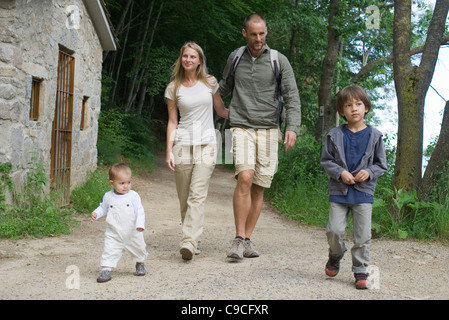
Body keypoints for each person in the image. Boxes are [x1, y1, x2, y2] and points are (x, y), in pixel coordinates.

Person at [219, 13, 301, 261]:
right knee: (245, 176)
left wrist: (292, 127)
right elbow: (223, 87)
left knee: (259, 186)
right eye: (253, 34)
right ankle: (237, 238)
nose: (258, 39)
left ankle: (246, 240)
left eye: (262, 33)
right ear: (245, 33)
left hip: (269, 129)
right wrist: (217, 107)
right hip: (242, 125)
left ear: (266, 32)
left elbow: (292, 96)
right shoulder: (235, 58)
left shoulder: (279, 60)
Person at [165, 41, 229, 261]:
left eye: (193, 57)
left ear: (200, 60)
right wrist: (168, 151)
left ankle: (189, 242)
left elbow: (221, 110)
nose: (188, 60)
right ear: (181, 59)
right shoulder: (173, 88)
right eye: (185, 56)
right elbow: (172, 122)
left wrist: (246, 114)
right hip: (182, 145)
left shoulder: (210, 83)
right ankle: (191, 238)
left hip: (207, 144)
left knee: (197, 195)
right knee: (184, 198)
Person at [320, 85, 387, 289]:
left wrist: (370, 172)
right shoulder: (334, 134)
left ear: (366, 107)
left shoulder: (375, 136)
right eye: (348, 105)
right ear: (342, 111)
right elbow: (327, 160)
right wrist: (340, 172)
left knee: (362, 236)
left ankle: (360, 269)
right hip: (339, 193)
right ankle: (336, 254)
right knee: (334, 230)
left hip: (363, 193)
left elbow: (380, 164)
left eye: (358, 104)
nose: (354, 108)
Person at [91, 163, 148, 283]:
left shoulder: (133, 196)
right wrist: (96, 213)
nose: (126, 186)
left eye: (128, 182)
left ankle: (140, 263)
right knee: (109, 249)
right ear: (112, 183)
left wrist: (140, 225)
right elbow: (103, 208)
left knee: (139, 248)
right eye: (122, 183)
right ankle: (106, 269)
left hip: (132, 232)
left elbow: (139, 211)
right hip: (114, 232)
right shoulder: (108, 196)